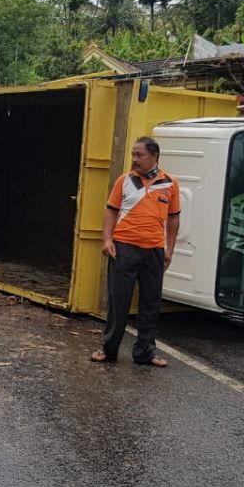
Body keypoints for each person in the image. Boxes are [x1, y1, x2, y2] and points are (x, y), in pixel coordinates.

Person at [91, 136, 180, 368]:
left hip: (154, 251)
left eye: (139, 155)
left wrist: (169, 248)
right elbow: (111, 211)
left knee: (150, 303)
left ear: (154, 156)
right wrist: (107, 239)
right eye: (133, 154)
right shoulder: (124, 181)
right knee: (118, 301)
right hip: (124, 248)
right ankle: (108, 349)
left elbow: (173, 218)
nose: (134, 159)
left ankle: (145, 353)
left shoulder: (170, 183)